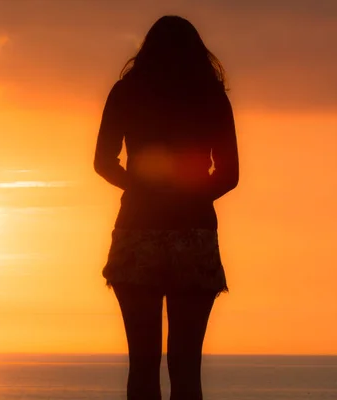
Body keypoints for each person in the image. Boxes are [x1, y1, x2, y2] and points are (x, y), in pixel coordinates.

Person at [94, 15, 239, 400]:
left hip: (136, 232)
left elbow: (102, 162)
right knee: (186, 367)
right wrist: (189, 195)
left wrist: (141, 188)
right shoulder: (211, 95)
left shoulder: (126, 92)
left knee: (142, 365)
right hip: (194, 236)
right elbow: (229, 174)